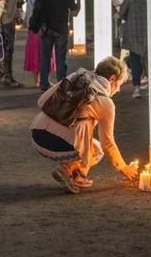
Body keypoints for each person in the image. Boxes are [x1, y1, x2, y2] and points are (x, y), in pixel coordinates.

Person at [30, 56, 138, 193]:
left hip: (37, 134)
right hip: (59, 145)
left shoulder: (77, 75)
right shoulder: (106, 103)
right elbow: (108, 143)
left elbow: (42, 100)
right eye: (120, 84)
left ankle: (78, 177)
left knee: (88, 140)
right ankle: (67, 169)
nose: (119, 90)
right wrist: (123, 167)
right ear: (112, 79)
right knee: (97, 149)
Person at [29, 0, 80, 91]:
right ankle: (61, 84)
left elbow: (37, 9)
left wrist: (35, 25)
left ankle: (44, 84)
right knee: (60, 58)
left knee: (45, 57)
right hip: (61, 29)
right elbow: (74, 13)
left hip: (46, 28)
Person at [119, 0, 148, 99]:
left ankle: (137, 89)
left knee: (135, 60)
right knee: (149, 60)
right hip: (149, 32)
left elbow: (122, 13)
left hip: (134, 33)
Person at [23, 0, 55, 87]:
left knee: (35, 55)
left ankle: (36, 80)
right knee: (47, 54)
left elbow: (28, 16)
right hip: (46, 30)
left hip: (33, 31)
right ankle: (47, 80)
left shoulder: (30, 0)